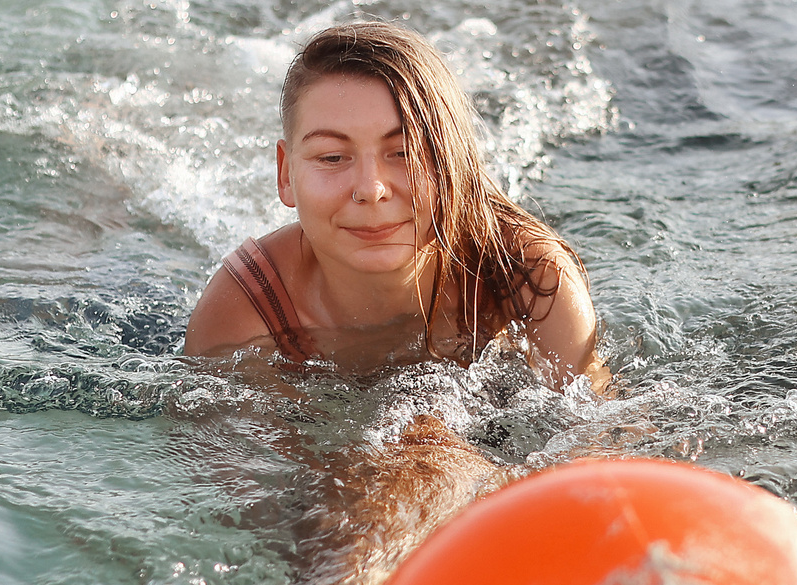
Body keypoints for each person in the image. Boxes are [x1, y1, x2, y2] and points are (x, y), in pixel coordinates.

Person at [182, 21, 603, 385]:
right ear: (285, 175)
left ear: (454, 163)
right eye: (332, 157)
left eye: (405, 153)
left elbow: (596, 441)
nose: (371, 188)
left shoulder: (529, 276)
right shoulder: (246, 311)